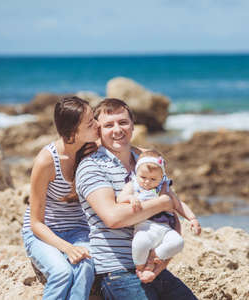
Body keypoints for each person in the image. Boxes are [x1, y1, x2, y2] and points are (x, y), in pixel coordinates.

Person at [75, 98, 198, 299]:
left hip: (156, 268)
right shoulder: (91, 167)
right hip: (118, 271)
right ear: (98, 130)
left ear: (133, 125)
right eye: (108, 125)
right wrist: (163, 202)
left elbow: (172, 217)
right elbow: (114, 218)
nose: (117, 129)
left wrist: (160, 263)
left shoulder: (146, 164)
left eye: (123, 122)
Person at [22, 96, 97, 300]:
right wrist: (67, 248)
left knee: (85, 265)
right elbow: (35, 223)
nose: (97, 125)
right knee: (62, 272)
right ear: (73, 132)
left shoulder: (91, 149)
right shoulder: (47, 161)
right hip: (43, 233)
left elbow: (128, 148)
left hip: (79, 231)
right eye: (91, 123)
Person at [117, 149, 201, 281]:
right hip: (145, 227)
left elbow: (178, 204)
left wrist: (192, 218)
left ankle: (152, 259)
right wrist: (130, 198)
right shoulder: (133, 185)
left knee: (177, 242)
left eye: (153, 179)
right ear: (137, 172)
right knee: (140, 243)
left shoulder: (164, 187)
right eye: (143, 177)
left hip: (166, 228)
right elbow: (120, 198)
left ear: (161, 177)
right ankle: (141, 268)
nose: (147, 182)